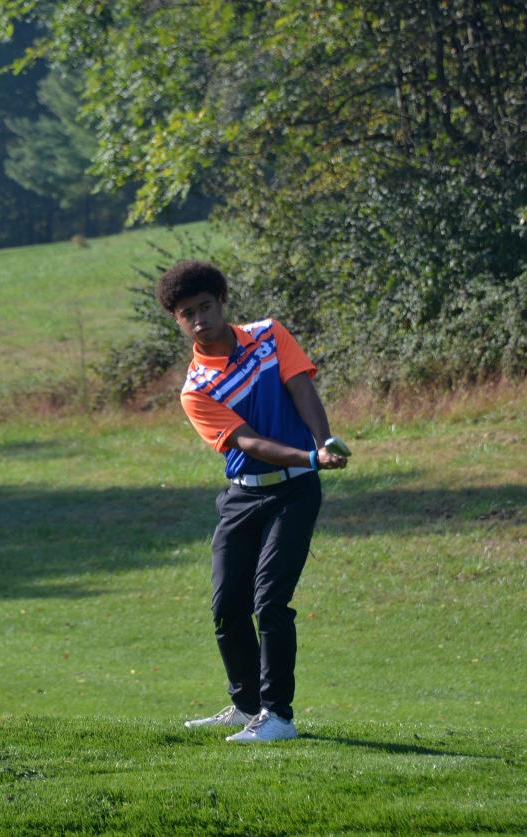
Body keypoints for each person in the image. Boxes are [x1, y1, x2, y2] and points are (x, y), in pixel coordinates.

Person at [156, 261, 348, 743]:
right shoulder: (195, 389)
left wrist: (323, 442)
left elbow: (301, 387)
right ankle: (245, 707)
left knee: (271, 601)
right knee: (226, 606)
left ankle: (278, 717)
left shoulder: (269, 335)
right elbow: (247, 442)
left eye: (205, 307)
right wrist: (311, 454)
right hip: (243, 496)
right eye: (187, 313)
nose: (199, 319)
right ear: (177, 320)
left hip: (295, 490)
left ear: (221, 300)